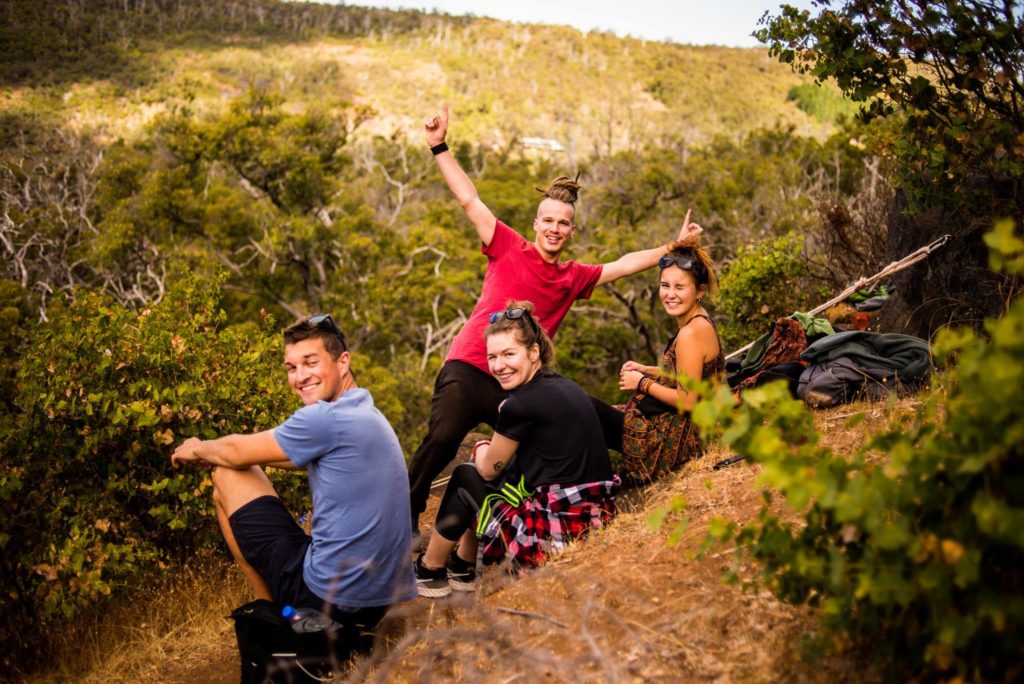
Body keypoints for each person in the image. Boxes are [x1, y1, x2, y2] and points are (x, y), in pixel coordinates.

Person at [408, 104, 701, 537]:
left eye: (563, 223)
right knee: (444, 435)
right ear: (535, 223)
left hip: (520, 383)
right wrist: (439, 145)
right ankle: (407, 515)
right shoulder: (507, 245)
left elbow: (622, 264)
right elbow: (469, 199)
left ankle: (645, 454)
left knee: (572, 417)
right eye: (548, 220)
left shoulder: (572, 277)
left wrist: (670, 247)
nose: (555, 228)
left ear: (571, 231)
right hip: (472, 366)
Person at [170, 314, 416, 655]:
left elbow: (234, 451)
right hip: (380, 601)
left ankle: (277, 616)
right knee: (237, 463)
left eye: (310, 362)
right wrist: (232, 455)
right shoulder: (367, 413)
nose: (300, 377)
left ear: (343, 361)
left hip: (329, 598)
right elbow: (277, 456)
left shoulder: (324, 418)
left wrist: (198, 447)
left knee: (225, 476)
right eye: (291, 367)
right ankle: (293, 619)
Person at [413, 301, 618, 597]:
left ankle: (430, 570)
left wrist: (482, 446)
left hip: (556, 532)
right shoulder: (566, 386)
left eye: (509, 354)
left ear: (534, 352)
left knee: (466, 476)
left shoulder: (518, 405)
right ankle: (461, 565)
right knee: (502, 476)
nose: (499, 366)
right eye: (492, 357)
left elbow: (486, 468)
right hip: (594, 518)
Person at [602, 237, 724, 482]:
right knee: (592, 411)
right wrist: (648, 370)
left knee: (586, 411)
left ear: (700, 290)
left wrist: (641, 383)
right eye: (665, 285)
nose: (670, 294)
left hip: (674, 439)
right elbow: (689, 376)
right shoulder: (699, 319)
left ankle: (598, 485)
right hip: (688, 428)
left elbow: (687, 401)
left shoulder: (690, 333)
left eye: (680, 287)